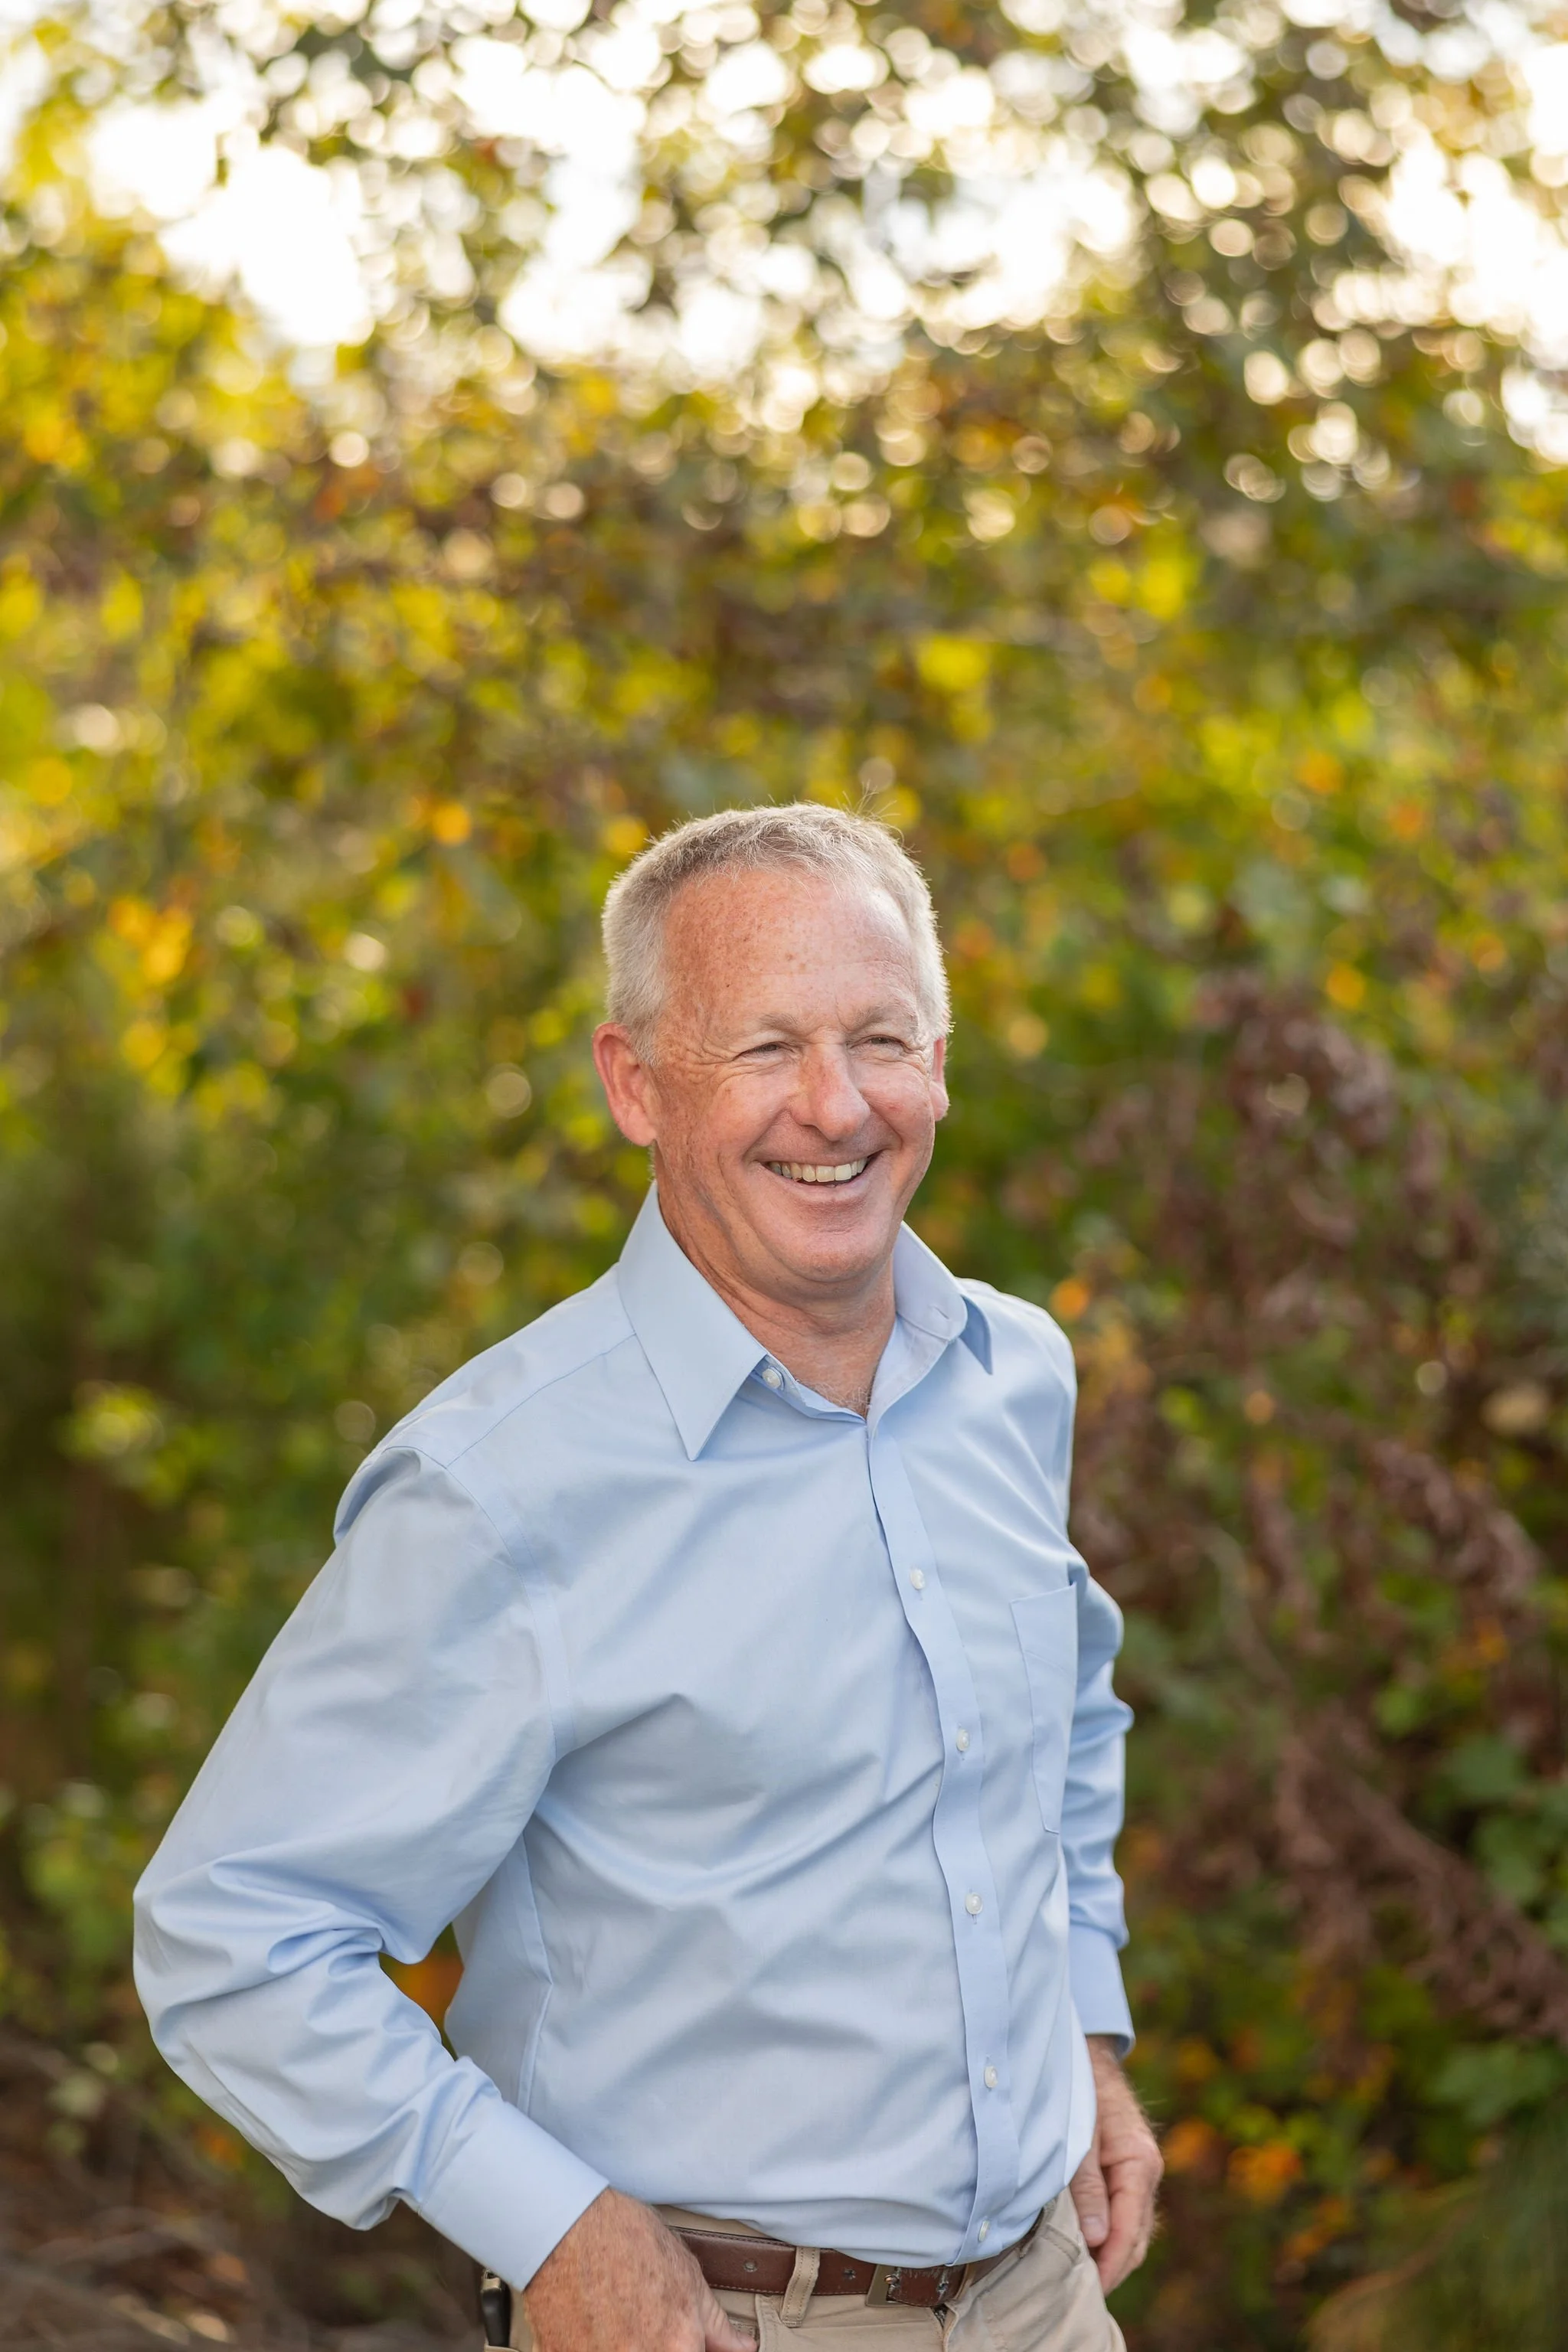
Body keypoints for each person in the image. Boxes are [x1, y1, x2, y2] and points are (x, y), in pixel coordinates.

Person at [135, 803, 1161, 2352]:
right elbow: (232, 1936)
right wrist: (548, 2227)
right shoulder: (502, 1487)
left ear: (939, 1063)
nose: (835, 1107)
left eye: (880, 1038)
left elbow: (1058, 1722)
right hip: (711, 2326)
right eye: (764, 1049)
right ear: (636, 1083)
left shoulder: (1009, 1374)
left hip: (1045, 2303)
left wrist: (1078, 2024)